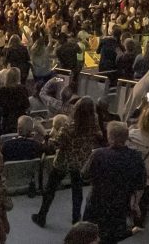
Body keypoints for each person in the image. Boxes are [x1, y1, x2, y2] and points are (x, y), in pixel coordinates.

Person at [34, 97, 100, 227]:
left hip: (63, 162)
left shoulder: (68, 127)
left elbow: (54, 146)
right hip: (81, 161)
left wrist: (45, 135)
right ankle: (76, 218)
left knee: (50, 189)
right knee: (77, 191)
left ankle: (42, 216)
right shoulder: (94, 122)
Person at [83, 122, 145, 244]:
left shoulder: (98, 154)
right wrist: (135, 203)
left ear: (109, 137)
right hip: (120, 203)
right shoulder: (136, 157)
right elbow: (140, 184)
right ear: (126, 137)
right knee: (112, 235)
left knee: (89, 234)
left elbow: (84, 175)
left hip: (96, 201)